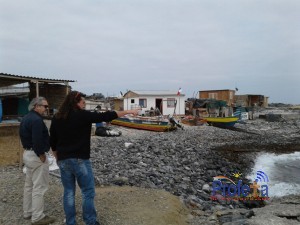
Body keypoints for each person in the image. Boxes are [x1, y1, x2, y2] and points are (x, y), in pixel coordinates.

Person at [49, 91, 139, 225]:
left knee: (68, 192)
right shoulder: (83, 115)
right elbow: (107, 116)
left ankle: (70, 222)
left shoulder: (57, 118)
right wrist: (128, 112)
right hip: (80, 160)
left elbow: (53, 141)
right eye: (83, 102)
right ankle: (90, 221)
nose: (84, 104)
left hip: (63, 160)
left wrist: (57, 157)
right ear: (76, 102)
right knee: (87, 191)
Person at [19, 97, 56, 225]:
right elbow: (37, 139)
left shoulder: (26, 118)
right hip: (36, 156)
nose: (47, 109)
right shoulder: (36, 120)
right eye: (45, 106)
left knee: (29, 186)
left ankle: (27, 212)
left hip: (27, 154)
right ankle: (38, 217)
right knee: (39, 187)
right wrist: (41, 154)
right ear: (36, 106)